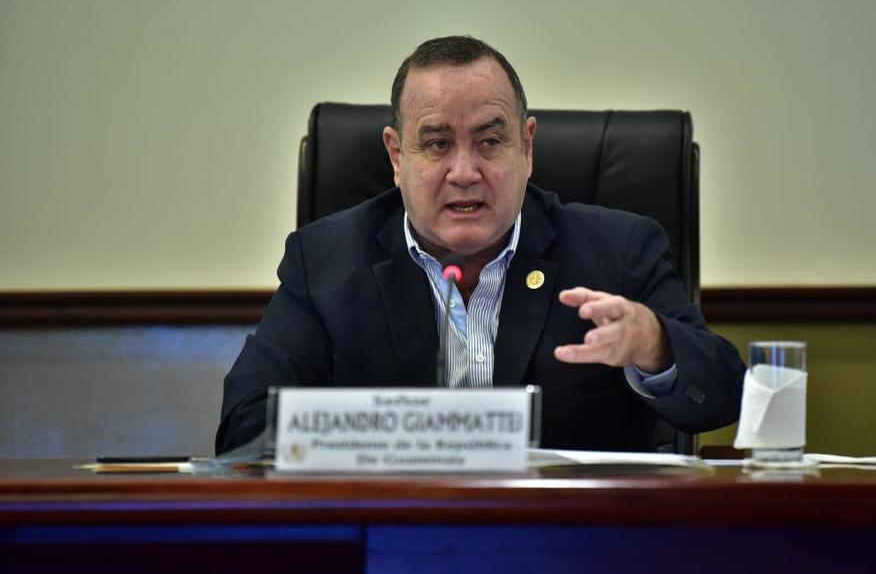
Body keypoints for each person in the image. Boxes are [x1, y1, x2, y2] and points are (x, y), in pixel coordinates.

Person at [216, 35, 745, 454]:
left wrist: (655, 345)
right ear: (397, 156)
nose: (465, 172)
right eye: (437, 144)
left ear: (527, 147)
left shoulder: (618, 250)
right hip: (392, 534)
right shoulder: (325, 262)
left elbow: (723, 394)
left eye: (490, 141)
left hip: (569, 539)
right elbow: (245, 427)